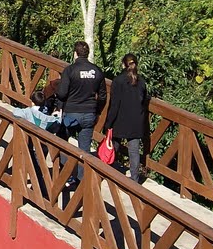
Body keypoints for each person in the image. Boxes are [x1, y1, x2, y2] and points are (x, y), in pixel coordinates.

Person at [57, 40, 107, 186]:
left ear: (75, 54)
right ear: (88, 53)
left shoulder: (70, 70)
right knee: (84, 149)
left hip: (71, 113)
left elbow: (62, 93)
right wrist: (97, 111)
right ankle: (81, 180)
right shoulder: (96, 71)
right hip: (89, 114)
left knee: (61, 140)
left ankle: (65, 173)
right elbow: (103, 96)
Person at [103, 53, 148, 183]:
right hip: (136, 122)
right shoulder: (141, 82)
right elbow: (144, 102)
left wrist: (108, 123)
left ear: (123, 64)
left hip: (120, 120)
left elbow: (114, 104)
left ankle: (108, 172)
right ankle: (135, 179)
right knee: (134, 151)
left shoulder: (118, 81)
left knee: (114, 146)